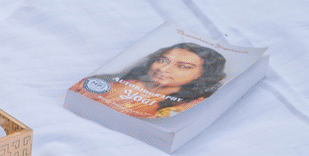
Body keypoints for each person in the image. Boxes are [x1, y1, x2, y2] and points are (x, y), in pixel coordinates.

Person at [78, 43, 229, 118]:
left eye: (183, 66)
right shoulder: (111, 81)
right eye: (162, 60)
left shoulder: (191, 106)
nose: (163, 69)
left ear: (203, 74)